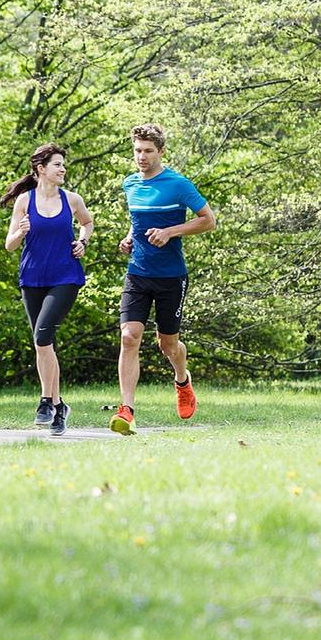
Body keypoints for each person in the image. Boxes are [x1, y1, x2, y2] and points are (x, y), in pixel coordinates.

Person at [109, 124, 216, 435]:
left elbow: (208, 220)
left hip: (171, 276)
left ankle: (182, 381)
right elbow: (138, 222)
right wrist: (128, 239)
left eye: (148, 151)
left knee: (167, 344)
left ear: (161, 152)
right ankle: (126, 409)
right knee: (129, 337)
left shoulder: (178, 184)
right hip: (138, 274)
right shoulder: (129, 184)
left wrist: (170, 232)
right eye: (137, 150)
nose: (141, 157)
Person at [2, 143, 94, 436]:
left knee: (43, 336)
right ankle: (58, 406)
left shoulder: (72, 199)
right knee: (44, 343)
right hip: (31, 278)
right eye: (57, 165)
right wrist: (21, 231)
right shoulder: (24, 202)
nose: (63, 169)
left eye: (63, 165)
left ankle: (45, 402)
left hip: (65, 276)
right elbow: (10, 245)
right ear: (41, 169)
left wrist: (83, 241)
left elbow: (87, 222)